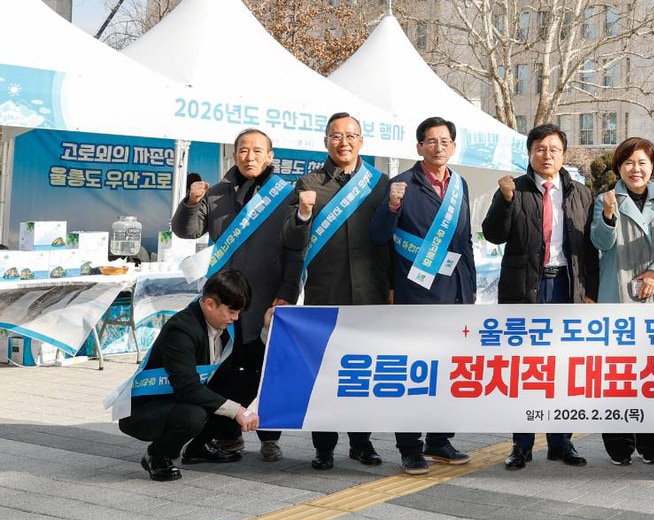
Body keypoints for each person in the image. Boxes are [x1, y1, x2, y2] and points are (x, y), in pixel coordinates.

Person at [171, 128, 300, 463]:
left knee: (267, 370)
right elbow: (187, 230)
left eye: (258, 151)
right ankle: (226, 436)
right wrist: (191, 202)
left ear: (271, 156)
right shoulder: (215, 194)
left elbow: (294, 250)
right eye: (243, 150)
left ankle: (270, 438)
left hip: (268, 301)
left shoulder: (287, 195)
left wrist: (287, 292)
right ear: (233, 155)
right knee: (225, 372)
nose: (250, 156)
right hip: (226, 302)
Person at [483, 123, 598, 471]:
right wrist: (504, 202)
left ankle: (562, 443)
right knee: (526, 368)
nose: (547, 155)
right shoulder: (512, 189)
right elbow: (493, 235)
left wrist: (589, 292)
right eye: (540, 149)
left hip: (565, 286)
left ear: (563, 154)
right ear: (529, 153)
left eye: (554, 149)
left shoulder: (580, 192)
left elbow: (589, 249)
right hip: (525, 290)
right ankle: (521, 445)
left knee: (563, 366)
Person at [283, 112, 391, 471]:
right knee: (327, 372)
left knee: (364, 371)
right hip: (325, 293)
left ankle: (362, 443)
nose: (343, 142)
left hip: (370, 293)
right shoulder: (308, 183)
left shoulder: (379, 183)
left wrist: (390, 288)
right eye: (336, 136)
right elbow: (292, 240)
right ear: (325, 140)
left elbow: (389, 241)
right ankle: (323, 447)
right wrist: (302, 212)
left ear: (361, 140)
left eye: (351, 136)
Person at [369, 116, 477, 475]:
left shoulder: (460, 185)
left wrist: (471, 287)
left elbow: (465, 243)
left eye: (445, 141)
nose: (438, 147)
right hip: (415, 294)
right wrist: (393, 207)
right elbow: (379, 237)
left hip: (455, 295)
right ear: (419, 147)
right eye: (431, 141)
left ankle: (440, 440)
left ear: (453, 146)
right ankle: (410, 447)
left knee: (449, 370)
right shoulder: (400, 185)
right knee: (415, 372)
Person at [116, 270, 260, 480]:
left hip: (188, 395)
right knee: (193, 416)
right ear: (210, 304)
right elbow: (187, 388)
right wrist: (236, 410)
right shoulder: (181, 329)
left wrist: (267, 330)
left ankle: (198, 448)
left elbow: (244, 361)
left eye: (238, 312)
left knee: (246, 380)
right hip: (151, 404)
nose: (236, 318)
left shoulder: (225, 322)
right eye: (231, 312)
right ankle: (157, 455)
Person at [591, 136, 654, 466]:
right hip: (617, 294)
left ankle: (651, 443)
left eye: (642, 162)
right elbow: (600, 241)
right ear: (619, 167)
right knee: (618, 373)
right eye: (628, 162)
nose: (636, 169)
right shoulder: (605, 198)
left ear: (653, 167)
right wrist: (610, 216)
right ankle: (618, 444)